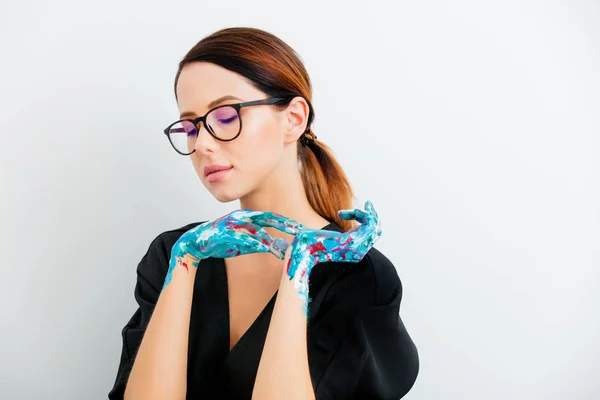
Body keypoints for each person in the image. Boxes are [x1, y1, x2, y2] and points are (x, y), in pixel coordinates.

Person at [108, 26, 419, 400]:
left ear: (293, 119)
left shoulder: (355, 276)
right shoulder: (172, 254)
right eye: (190, 127)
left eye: (225, 117)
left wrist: (299, 268)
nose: (202, 144)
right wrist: (185, 262)